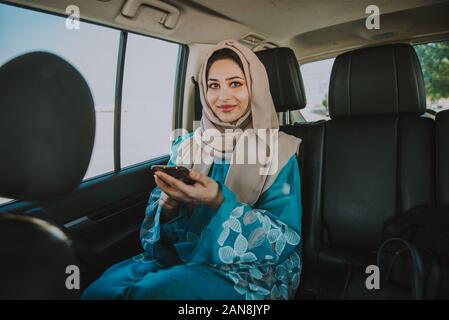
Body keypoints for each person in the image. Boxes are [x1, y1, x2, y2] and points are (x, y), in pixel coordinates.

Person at [81, 39, 303, 300]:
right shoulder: (186, 146)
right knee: (99, 292)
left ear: (255, 88)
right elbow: (158, 227)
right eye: (213, 85)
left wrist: (219, 201)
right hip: (182, 252)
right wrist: (168, 206)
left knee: (156, 294)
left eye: (236, 84)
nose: (223, 96)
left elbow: (286, 238)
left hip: (253, 269)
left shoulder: (280, 151)